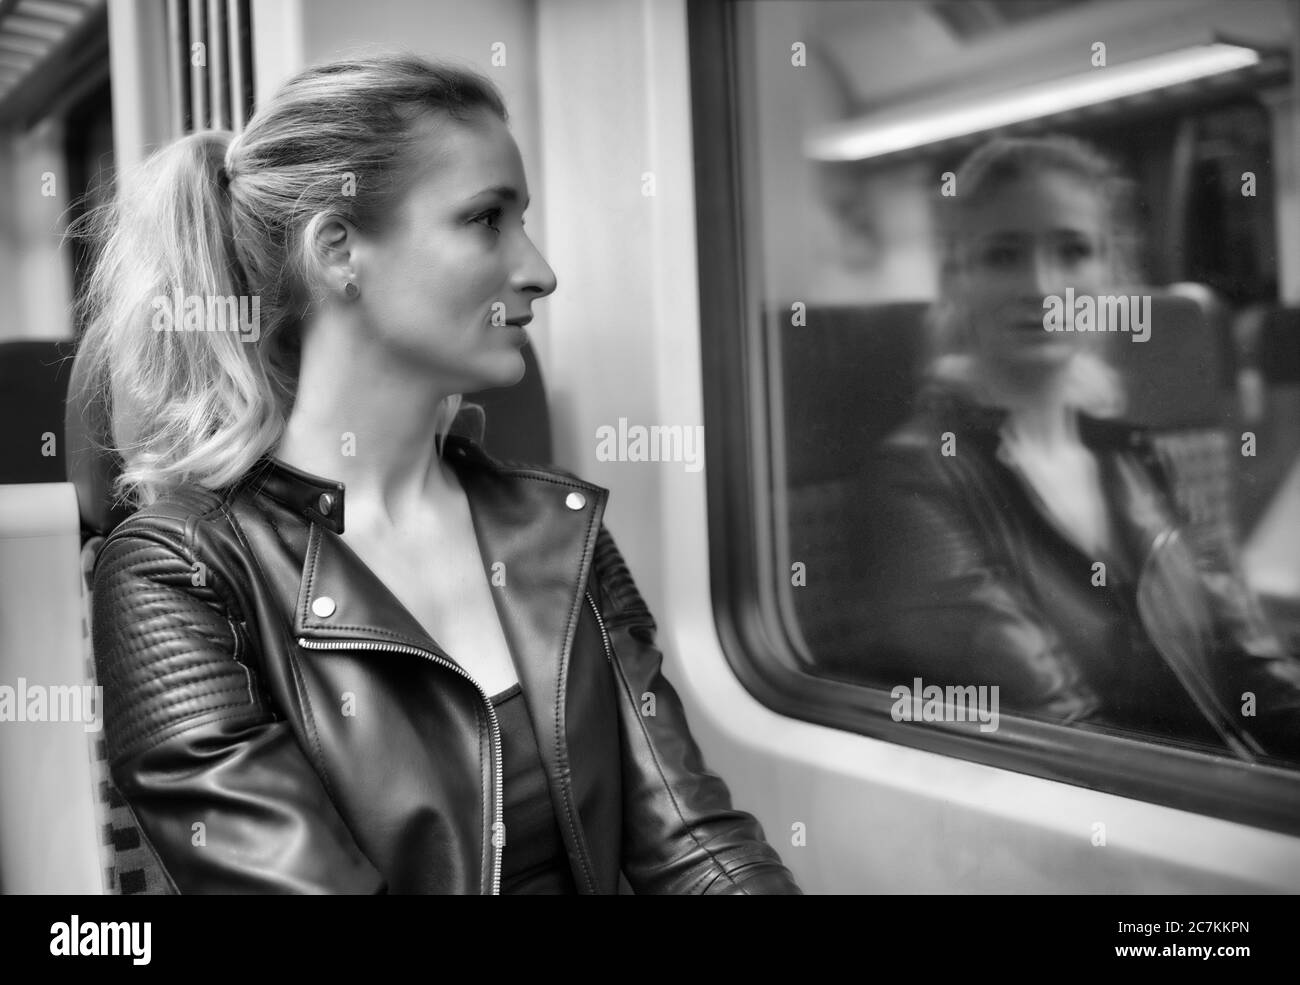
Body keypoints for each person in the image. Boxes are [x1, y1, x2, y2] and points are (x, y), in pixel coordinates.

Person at [77, 53, 800, 894]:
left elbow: (697, 846)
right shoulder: (179, 572)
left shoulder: (556, 527)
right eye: (487, 219)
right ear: (340, 250)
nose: (539, 270)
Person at [837, 135, 1300, 762]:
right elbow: (1064, 740)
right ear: (960, 281)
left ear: (1109, 273)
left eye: (1073, 250)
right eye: (1003, 255)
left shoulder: (1131, 453)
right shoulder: (919, 479)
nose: (1043, 285)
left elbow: (1240, 654)